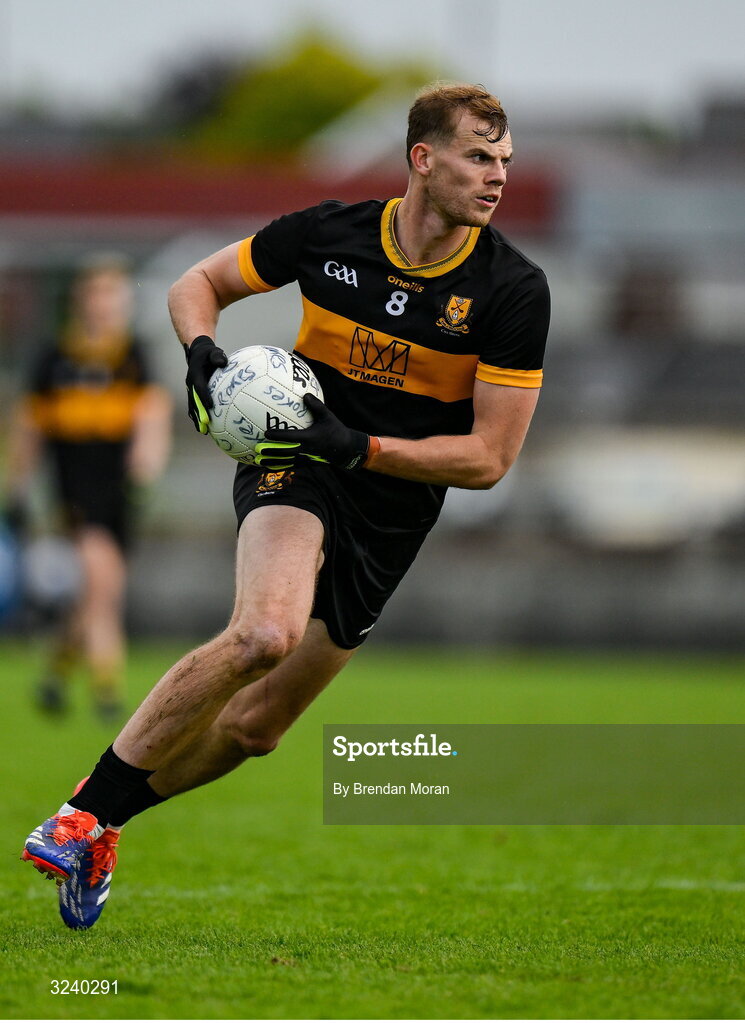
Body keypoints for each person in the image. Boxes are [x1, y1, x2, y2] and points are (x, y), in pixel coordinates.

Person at [21, 83, 550, 930]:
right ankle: (78, 816)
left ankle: (108, 817)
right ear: (423, 158)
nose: (496, 177)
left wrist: (366, 448)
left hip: (395, 506)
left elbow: (488, 459)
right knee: (263, 633)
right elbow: (199, 281)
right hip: (294, 462)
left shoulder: (513, 291)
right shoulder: (332, 230)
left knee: (257, 727)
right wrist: (201, 353)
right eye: (479, 157)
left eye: (504, 162)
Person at [5, 256, 172, 719]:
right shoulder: (54, 358)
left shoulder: (133, 356)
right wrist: (18, 488)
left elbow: (152, 419)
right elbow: (28, 430)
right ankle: (107, 690)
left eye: (113, 296)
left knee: (97, 589)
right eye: (97, 295)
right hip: (74, 492)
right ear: (81, 301)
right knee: (102, 583)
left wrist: (146, 466)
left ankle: (57, 673)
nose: (105, 306)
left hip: (122, 493)